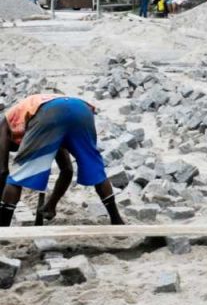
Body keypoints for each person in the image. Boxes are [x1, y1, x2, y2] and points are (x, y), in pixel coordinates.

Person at [0, 95, 124, 241]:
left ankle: (3, 228)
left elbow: (2, 171)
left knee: (17, 177)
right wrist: (51, 204)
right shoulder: (46, 131)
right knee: (95, 167)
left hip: (48, 113)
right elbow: (67, 170)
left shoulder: (4, 125)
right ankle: (117, 221)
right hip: (81, 109)